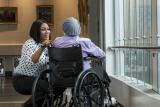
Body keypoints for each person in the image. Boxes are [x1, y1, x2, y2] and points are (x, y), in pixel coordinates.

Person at [12, 19, 51, 107]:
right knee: (48, 88)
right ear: (36, 31)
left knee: (55, 88)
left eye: (48, 29)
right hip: (22, 79)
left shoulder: (48, 46)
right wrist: (43, 46)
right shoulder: (30, 43)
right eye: (43, 29)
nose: (47, 32)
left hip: (36, 79)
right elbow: (34, 60)